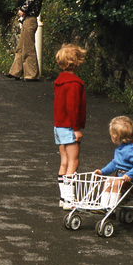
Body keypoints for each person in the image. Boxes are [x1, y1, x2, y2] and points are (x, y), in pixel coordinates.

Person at [53, 43, 87, 209]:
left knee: (64, 161)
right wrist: (76, 129)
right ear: (77, 62)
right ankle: (69, 199)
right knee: (73, 161)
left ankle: (63, 198)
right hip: (69, 126)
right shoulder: (74, 83)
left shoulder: (59, 81)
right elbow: (72, 108)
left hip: (58, 126)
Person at [94, 116, 133, 208]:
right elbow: (114, 164)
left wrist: (129, 174)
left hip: (129, 179)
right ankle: (103, 206)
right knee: (108, 181)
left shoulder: (130, 150)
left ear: (114, 137)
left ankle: (111, 208)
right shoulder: (120, 149)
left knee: (115, 183)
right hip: (120, 177)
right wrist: (102, 172)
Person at [7, 0, 41, 81]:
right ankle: (15, 71)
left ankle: (31, 74)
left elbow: (32, 0)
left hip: (30, 19)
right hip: (26, 19)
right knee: (21, 47)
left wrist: (23, 9)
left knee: (28, 47)